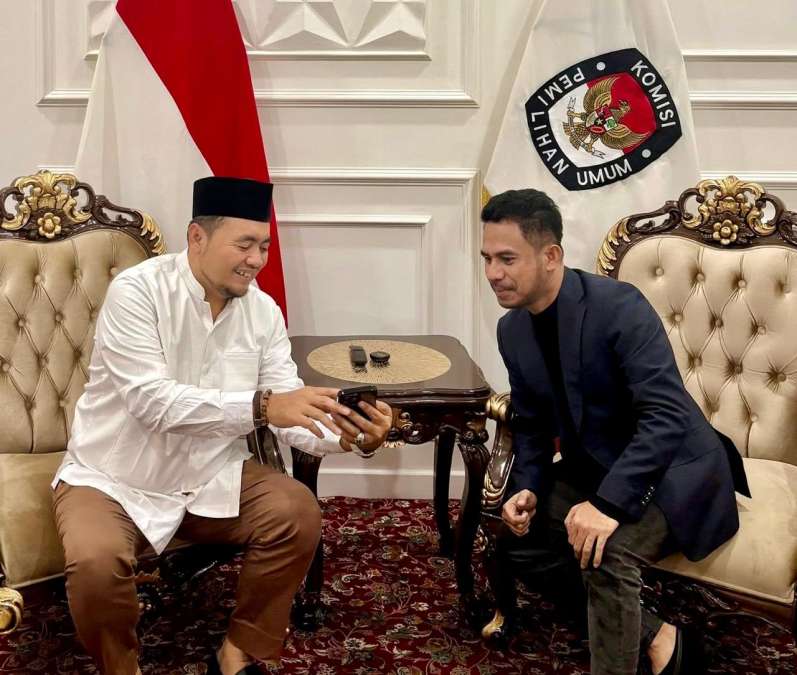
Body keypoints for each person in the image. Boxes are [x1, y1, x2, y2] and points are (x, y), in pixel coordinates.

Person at [52, 176, 393, 675]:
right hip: (114, 478)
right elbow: (152, 403)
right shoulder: (137, 292)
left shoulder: (263, 311)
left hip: (209, 475)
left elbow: (289, 413)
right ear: (198, 237)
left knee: (296, 512)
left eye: (265, 246)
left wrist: (350, 435)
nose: (257, 260)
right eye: (245, 244)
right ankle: (121, 666)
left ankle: (236, 653)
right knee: (95, 566)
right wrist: (261, 407)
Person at [480, 188, 750, 675]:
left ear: (551, 256)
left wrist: (608, 506)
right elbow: (533, 425)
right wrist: (527, 488)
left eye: (507, 259)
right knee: (515, 538)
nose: (493, 273)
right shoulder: (512, 330)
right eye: (487, 259)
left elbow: (666, 416)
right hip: (597, 464)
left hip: (673, 470)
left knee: (602, 550)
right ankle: (659, 636)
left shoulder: (618, 307)